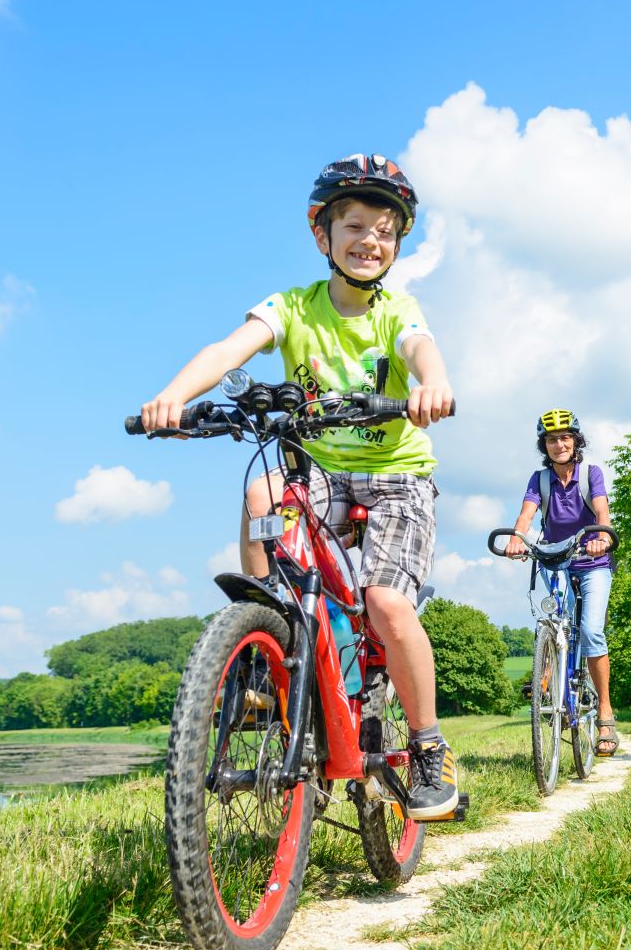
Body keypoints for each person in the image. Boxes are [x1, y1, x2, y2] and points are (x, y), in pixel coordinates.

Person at [140, 153, 462, 819]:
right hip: (317, 471)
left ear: (398, 243)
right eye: (354, 225)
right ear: (323, 234)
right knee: (262, 494)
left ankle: (429, 746)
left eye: (384, 229)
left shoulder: (396, 309)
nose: (369, 239)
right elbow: (228, 351)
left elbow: (418, 350)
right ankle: (271, 652)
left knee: (385, 603)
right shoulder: (290, 308)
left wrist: (433, 382)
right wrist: (173, 397)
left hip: (396, 477)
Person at [503, 409, 620, 757]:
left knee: (591, 630)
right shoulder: (539, 480)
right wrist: (516, 537)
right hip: (557, 559)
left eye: (565, 437)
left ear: (576, 441)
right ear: (545, 445)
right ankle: (554, 681)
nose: (559, 444)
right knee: (556, 622)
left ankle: (605, 714)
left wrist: (602, 536)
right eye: (552, 439)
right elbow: (526, 513)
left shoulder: (591, 474)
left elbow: (602, 512)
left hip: (593, 561)